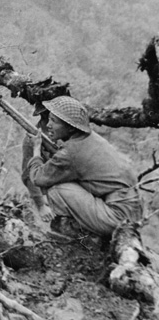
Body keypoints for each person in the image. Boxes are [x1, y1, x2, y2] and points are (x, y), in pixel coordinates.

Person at [27, 96, 142, 237]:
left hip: (117, 218)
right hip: (133, 213)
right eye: (49, 119)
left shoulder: (70, 153)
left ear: (70, 127)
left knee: (56, 189)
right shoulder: (91, 138)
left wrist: (36, 150)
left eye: (54, 121)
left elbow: (38, 178)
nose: (48, 124)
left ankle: (72, 234)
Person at [20, 102, 56, 224]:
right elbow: (28, 174)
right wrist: (41, 205)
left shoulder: (68, 132)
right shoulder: (33, 139)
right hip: (51, 194)